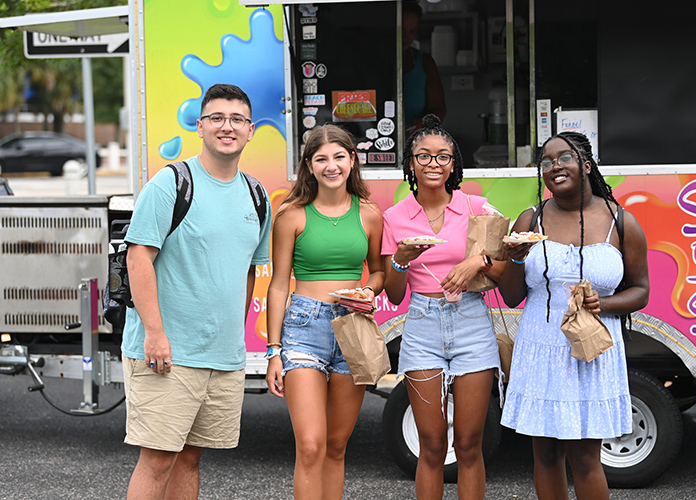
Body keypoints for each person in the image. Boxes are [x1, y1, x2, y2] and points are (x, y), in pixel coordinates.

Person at [121, 83, 271, 500]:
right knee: (158, 460)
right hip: (167, 351)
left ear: (251, 130)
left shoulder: (258, 196)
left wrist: (232, 334)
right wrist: (154, 333)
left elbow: (248, 272)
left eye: (237, 119)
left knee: (190, 458)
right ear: (201, 126)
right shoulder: (171, 183)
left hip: (220, 355)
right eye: (218, 118)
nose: (228, 127)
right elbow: (138, 259)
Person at [498, 132, 649, 500]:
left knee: (584, 457)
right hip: (540, 344)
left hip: (591, 350)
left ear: (585, 164)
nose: (554, 167)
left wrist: (606, 303)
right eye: (546, 162)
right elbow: (513, 296)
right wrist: (514, 256)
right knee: (545, 454)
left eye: (563, 158)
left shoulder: (621, 222)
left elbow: (641, 290)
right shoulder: (530, 218)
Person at [382, 114, 503, 500]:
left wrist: (478, 261)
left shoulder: (476, 206)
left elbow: (504, 266)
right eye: (424, 156)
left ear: (454, 164)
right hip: (421, 324)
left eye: (442, 157)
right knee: (431, 446)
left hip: (471, 321)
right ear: (411, 163)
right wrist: (400, 258)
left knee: (469, 445)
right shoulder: (395, 216)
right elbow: (395, 293)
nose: (434, 164)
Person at [265, 124, 384, 500]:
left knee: (336, 445)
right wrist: (273, 351)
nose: (331, 166)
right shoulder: (291, 214)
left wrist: (369, 288)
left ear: (352, 160)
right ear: (309, 166)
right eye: (321, 159)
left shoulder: (369, 214)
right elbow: (279, 284)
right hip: (303, 327)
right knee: (311, 445)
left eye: (339, 157)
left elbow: (379, 271)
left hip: (353, 328)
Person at [403, 0, 446, 134]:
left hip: (416, 146)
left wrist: (425, 122)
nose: (405, 37)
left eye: (412, 31)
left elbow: (438, 108)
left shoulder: (425, 63)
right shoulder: (371, 61)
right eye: (401, 30)